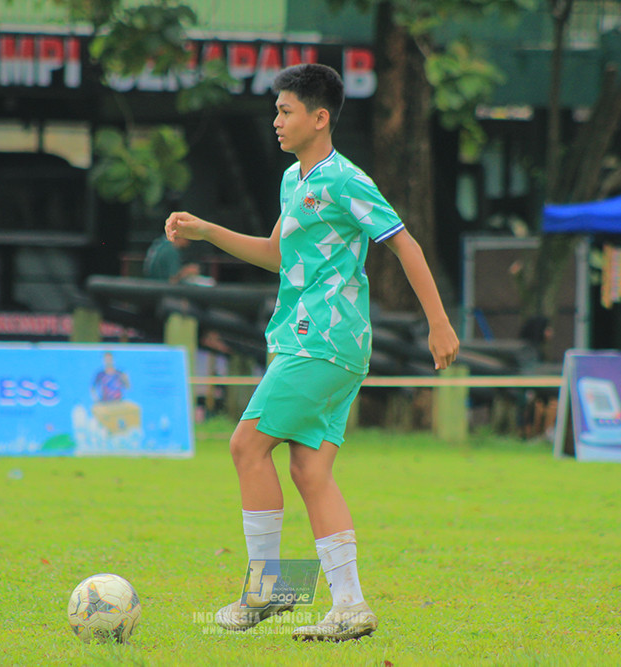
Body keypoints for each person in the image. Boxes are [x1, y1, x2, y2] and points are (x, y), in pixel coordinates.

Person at [165, 63, 460, 642]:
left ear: (320, 118)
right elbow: (278, 255)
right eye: (276, 111)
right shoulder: (292, 180)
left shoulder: (345, 180)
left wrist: (439, 322)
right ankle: (350, 605)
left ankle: (268, 588)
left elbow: (404, 243)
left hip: (323, 340)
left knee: (246, 445)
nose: (276, 121)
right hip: (313, 341)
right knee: (309, 470)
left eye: (286, 111)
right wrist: (208, 232)